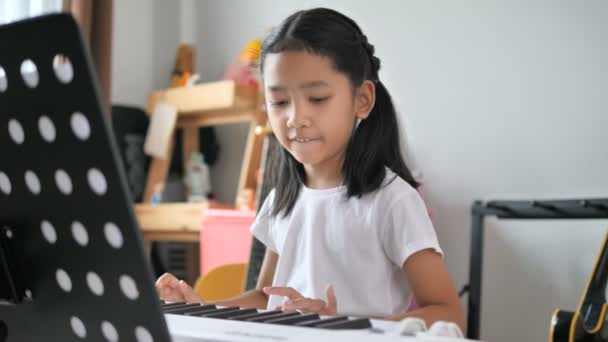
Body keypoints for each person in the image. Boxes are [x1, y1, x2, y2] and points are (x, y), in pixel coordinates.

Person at [156, 7, 465, 331]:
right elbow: (265, 298)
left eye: (317, 98)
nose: (295, 118)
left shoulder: (393, 201)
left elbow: (446, 312)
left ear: (362, 100)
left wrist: (348, 326)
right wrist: (200, 308)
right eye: (278, 102)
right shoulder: (282, 199)